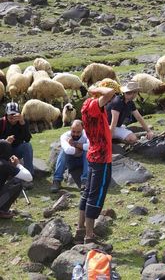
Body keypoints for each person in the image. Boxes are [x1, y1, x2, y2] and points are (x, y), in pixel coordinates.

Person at [76, 82, 117, 245]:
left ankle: (80, 229)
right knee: (96, 194)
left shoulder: (86, 105)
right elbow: (109, 92)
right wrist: (96, 89)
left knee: (87, 193)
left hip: (94, 154)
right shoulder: (93, 104)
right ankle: (89, 235)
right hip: (101, 158)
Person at [50, 120, 90, 193]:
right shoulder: (65, 136)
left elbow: (90, 147)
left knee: (88, 151)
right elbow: (68, 150)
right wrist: (80, 148)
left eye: (78, 132)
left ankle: (85, 181)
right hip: (70, 162)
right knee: (63, 152)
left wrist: (74, 144)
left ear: (83, 129)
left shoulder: (87, 134)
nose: (75, 134)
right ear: (70, 129)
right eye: (73, 131)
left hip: (84, 161)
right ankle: (57, 180)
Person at [0, 102, 34, 178]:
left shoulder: (23, 122)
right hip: (3, 153)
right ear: (6, 114)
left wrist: (22, 123)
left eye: (15, 115)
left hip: (16, 150)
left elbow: (27, 139)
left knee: (27, 146)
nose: (12, 118)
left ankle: (29, 174)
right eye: (10, 116)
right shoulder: (1, 123)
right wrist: (4, 142)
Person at [0, 140, 32, 219]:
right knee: (17, 181)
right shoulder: (4, 165)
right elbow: (29, 177)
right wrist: (18, 165)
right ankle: (2, 210)